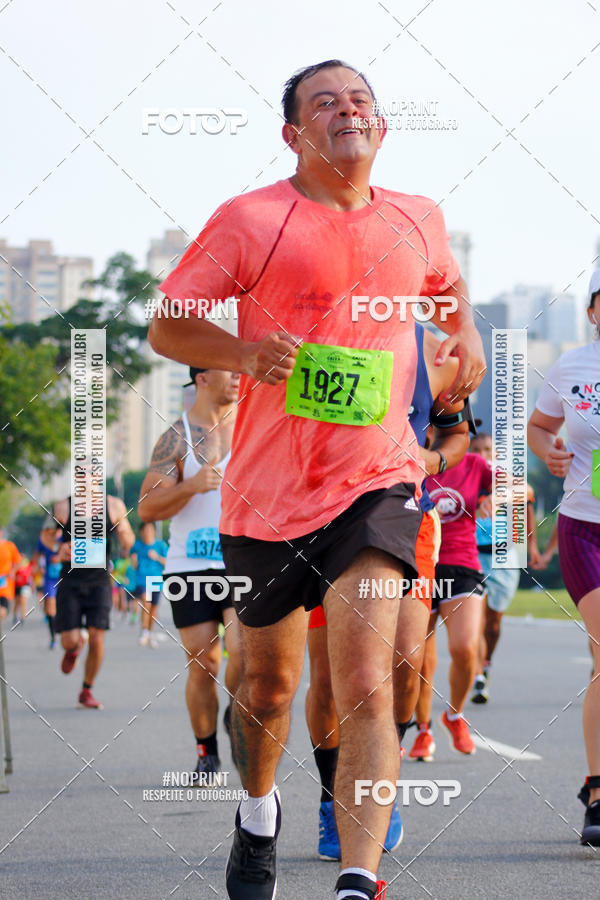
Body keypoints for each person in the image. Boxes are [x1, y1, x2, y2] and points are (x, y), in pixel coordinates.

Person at [149, 59, 486, 900]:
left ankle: (357, 881)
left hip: (376, 484)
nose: (348, 109)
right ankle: (258, 812)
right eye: (324, 102)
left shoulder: (417, 218)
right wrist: (240, 354)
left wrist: (468, 333)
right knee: (267, 686)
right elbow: (168, 324)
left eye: (362, 99)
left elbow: (446, 288)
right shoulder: (253, 218)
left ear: (382, 126)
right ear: (294, 133)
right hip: (267, 495)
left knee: (369, 680)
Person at [305, 322, 471, 860]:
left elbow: (455, 433)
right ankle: (334, 797)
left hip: (406, 516)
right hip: (322, 518)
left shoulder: (434, 350)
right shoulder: (319, 328)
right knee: (330, 678)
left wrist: (432, 461)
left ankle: (380, 782)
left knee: (405, 657)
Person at [138, 367, 242, 778]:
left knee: (245, 655)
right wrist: (192, 485)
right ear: (201, 378)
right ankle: (207, 752)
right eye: (228, 371)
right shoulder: (175, 437)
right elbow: (147, 508)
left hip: (242, 561)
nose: (237, 378)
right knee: (203, 665)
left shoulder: (252, 428)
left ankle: (237, 710)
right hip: (189, 565)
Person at [528, 269, 600, 846]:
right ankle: (599, 794)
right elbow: (539, 426)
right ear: (593, 312)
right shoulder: (571, 367)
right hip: (585, 530)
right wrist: (548, 451)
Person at [408, 448, 492, 759]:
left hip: (463, 564)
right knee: (417, 657)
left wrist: (494, 498)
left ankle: (454, 715)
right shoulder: (412, 452)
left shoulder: (475, 464)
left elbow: (523, 487)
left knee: (465, 647)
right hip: (419, 561)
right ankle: (422, 730)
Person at [469, 434, 540, 703]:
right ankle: (477, 678)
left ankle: (485, 663)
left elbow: (527, 505)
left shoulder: (508, 482)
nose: (482, 454)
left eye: (487, 449)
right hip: (472, 556)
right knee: (476, 619)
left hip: (504, 555)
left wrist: (531, 545)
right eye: (477, 450)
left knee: (493, 624)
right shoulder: (465, 476)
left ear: (496, 453)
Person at [53, 494, 134, 708]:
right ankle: (74, 647)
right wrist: (57, 548)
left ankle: (86, 689)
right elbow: (47, 538)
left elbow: (128, 540)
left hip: (99, 581)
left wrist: (125, 535)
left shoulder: (113, 505)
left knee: (97, 636)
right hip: (70, 580)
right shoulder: (63, 506)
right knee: (68, 641)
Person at [131, 522, 168, 648]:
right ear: (141, 532)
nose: (147, 532)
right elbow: (133, 562)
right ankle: (144, 630)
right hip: (142, 579)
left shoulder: (160, 545)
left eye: (150, 530)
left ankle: (150, 632)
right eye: (145, 530)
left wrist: (157, 557)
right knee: (146, 602)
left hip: (156, 579)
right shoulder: (137, 545)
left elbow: (167, 562)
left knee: (153, 609)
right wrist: (134, 561)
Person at [32, 524, 63, 648]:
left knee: (65, 604)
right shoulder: (43, 539)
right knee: (50, 607)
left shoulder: (68, 536)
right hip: (50, 578)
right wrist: (35, 568)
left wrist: (60, 557)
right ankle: (53, 637)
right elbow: (36, 555)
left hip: (66, 576)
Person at [0, 526, 21, 625]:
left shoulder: (9, 546)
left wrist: (12, 571)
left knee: (3, 610)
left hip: (5, 582)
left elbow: (18, 561)